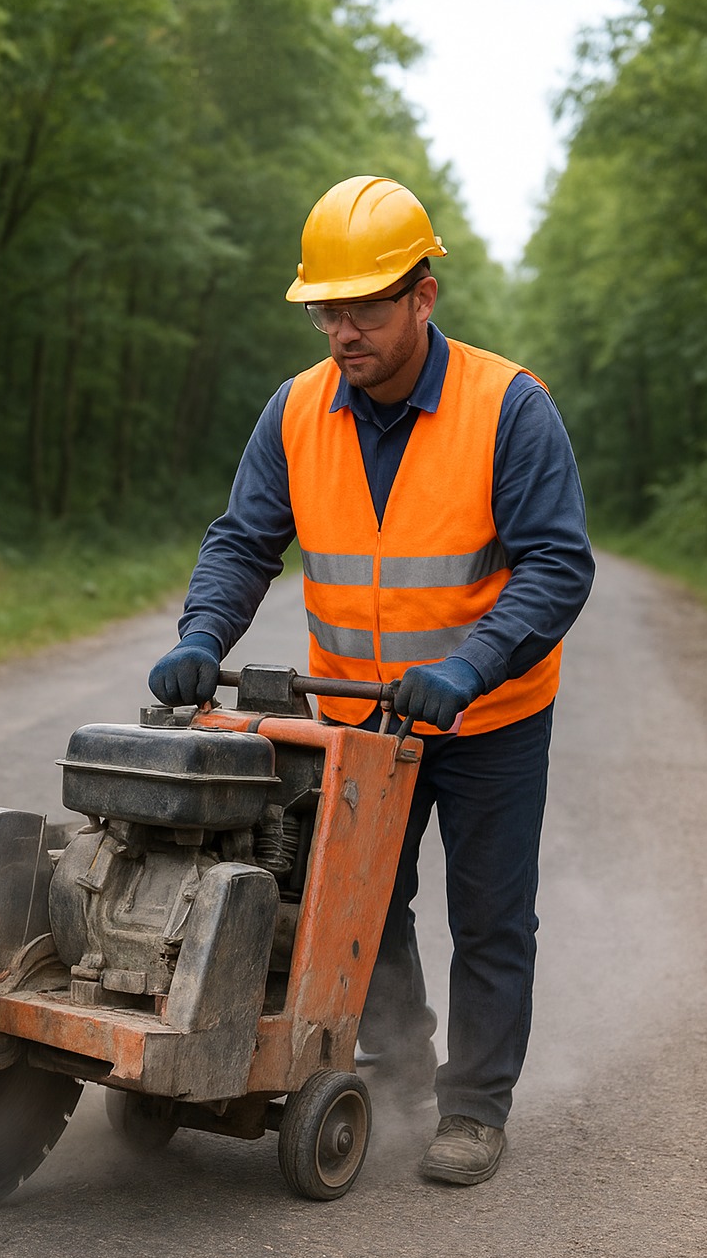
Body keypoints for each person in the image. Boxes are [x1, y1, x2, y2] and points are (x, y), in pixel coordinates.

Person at [148, 175, 594, 1186]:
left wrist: (472, 664)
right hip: (357, 720)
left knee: (487, 913)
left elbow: (558, 565)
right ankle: (399, 1075)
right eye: (327, 310)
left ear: (422, 297)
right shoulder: (297, 411)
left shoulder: (507, 408)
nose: (342, 332)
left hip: (490, 719)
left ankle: (474, 1110)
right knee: (356, 908)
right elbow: (243, 539)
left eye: (364, 309)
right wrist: (200, 632)